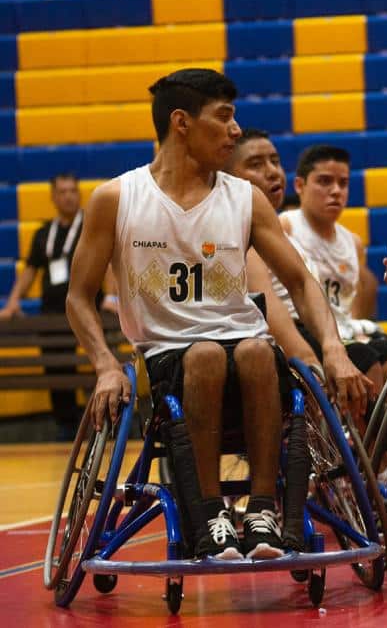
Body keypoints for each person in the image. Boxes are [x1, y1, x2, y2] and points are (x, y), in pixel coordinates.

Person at [66, 68, 364, 561]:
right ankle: (210, 514)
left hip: (246, 351)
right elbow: (78, 297)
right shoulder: (117, 198)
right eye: (224, 117)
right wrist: (102, 364)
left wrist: (333, 348)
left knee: (253, 350)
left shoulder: (243, 199)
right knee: (204, 355)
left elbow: (300, 281)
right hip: (167, 357)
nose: (235, 130)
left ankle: (263, 511)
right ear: (181, 122)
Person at [226, 129, 379, 390]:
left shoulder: (283, 236)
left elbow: (308, 287)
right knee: (367, 360)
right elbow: (270, 308)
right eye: (255, 164)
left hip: (318, 331)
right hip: (268, 346)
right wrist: (312, 363)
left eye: (275, 161)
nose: (272, 171)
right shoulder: (252, 233)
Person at [278, 144, 387, 387]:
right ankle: (367, 426)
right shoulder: (285, 227)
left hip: (342, 330)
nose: (336, 191)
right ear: (300, 186)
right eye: (324, 181)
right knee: (366, 359)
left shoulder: (353, 242)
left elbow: (350, 309)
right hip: (303, 328)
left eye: (343, 183)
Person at [0, 174, 113, 440]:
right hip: (53, 312)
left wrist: (112, 297)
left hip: (88, 309)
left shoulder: (89, 226)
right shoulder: (43, 233)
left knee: (97, 361)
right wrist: (13, 302)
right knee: (57, 369)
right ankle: (65, 427)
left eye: (73, 191)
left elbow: (107, 262)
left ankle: (103, 424)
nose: (69, 196)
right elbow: (30, 271)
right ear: (53, 196)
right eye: (62, 192)